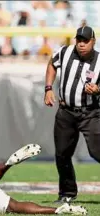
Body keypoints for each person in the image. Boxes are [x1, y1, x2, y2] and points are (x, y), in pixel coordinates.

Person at [44, 25, 100, 203]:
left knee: (97, 152)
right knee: (62, 153)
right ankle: (67, 194)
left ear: (93, 41)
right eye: (79, 40)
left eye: (85, 41)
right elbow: (52, 64)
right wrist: (48, 88)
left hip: (90, 113)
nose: (81, 44)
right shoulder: (64, 52)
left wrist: (98, 90)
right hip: (66, 112)